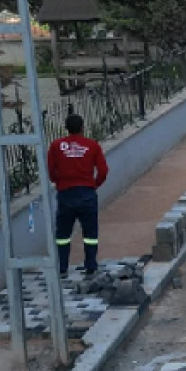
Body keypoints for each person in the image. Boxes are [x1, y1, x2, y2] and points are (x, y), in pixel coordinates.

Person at [48, 114, 109, 277]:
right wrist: (94, 184)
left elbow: (51, 169)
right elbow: (103, 171)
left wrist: (58, 182)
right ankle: (90, 265)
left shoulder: (56, 146)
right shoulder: (92, 145)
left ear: (66, 128)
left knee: (63, 234)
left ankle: (62, 268)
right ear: (82, 127)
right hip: (86, 193)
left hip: (65, 193)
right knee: (90, 233)